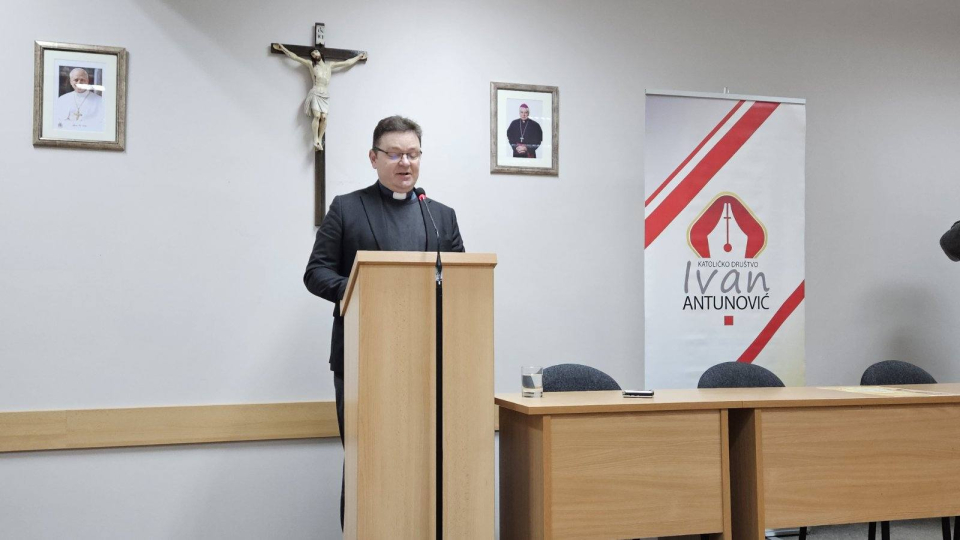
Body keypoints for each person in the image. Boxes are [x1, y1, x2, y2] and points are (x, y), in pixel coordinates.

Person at [303, 115, 464, 528]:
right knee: (367, 462)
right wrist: (363, 289)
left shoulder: (440, 216)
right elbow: (316, 273)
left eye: (412, 154)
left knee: (424, 461)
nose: (404, 163)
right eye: (394, 154)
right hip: (363, 361)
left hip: (428, 363)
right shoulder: (347, 208)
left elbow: (462, 282)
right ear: (374, 158)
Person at [273, 43, 366, 151]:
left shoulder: (329, 65)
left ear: (320, 53)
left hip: (325, 94)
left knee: (324, 118)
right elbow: (295, 57)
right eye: (312, 54)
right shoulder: (311, 65)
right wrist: (283, 49)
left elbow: (346, 63)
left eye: (316, 52)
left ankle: (320, 139)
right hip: (316, 92)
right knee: (317, 116)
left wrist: (358, 57)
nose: (314, 54)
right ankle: (315, 139)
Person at [53, 67, 104, 131]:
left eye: (82, 80)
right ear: (71, 82)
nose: (79, 82)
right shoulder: (62, 100)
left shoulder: (100, 101)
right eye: (76, 80)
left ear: (87, 81)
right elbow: (57, 123)